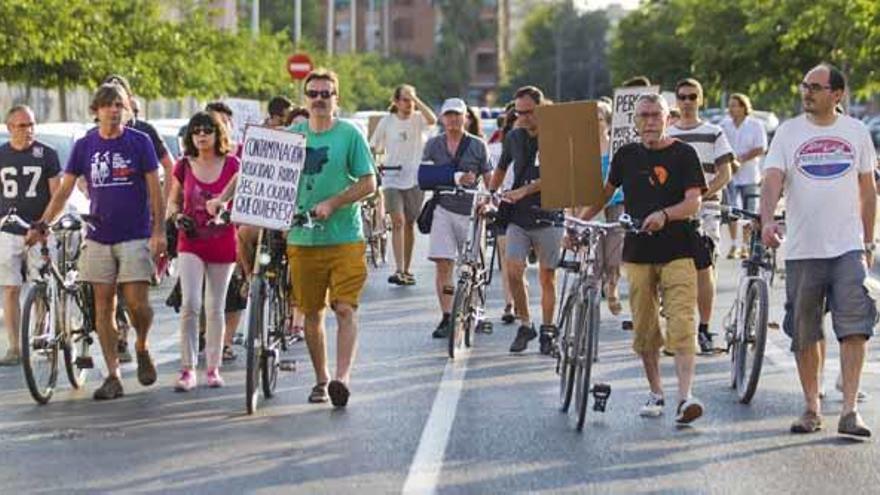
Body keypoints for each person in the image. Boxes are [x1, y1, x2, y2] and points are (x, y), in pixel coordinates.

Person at [29, 83, 166, 400]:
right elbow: (64, 191)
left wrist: (159, 231)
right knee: (103, 305)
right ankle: (112, 375)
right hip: (99, 235)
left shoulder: (140, 142)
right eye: (107, 106)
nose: (113, 110)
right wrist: (43, 223)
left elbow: (155, 191)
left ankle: (142, 345)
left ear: (126, 109)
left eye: (118, 105)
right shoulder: (85, 145)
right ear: (96, 111)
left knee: (137, 304)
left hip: (134, 233)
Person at [761, 64, 877, 438]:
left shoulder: (857, 132)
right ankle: (811, 407)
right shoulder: (788, 133)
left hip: (847, 247)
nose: (806, 92)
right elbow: (772, 181)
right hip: (802, 249)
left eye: (815, 87)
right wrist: (766, 220)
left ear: (837, 94)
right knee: (806, 332)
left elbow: (868, 190)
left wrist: (869, 240)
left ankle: (850, 411)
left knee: (855, 326)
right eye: (804, 85)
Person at [589, 93, 707, 424]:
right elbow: (605, 193)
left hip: (678, 249)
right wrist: (583, 221)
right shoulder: (626, 155)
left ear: (668, 118)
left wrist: (665, 215)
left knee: (682, 320)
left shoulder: (684, 154)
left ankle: (685, 397)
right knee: (644, 327)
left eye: (656, 115)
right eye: (644, 116)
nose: (650, 121)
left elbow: (694, 202)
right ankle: (656, 392)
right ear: (635, 122)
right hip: (638, 252)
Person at [287, 69, 377, 407]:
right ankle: (321, 379)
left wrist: (334, 202)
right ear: (305, 98)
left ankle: (342, 378)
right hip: (302, 239)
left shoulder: (349, 135)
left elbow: (369, 183)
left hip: (344, 237)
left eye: (327, 93)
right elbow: (258, 171)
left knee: (343, 308)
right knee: (311, 313)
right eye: (314, 93)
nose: (320, 99)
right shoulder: (292, 135)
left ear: (336, 98)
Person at [102, 74, 175, 364]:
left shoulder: (144, 132)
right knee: (108, 284)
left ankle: (137, 335)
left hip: (139, 218)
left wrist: (165, 206)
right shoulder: (97, 133)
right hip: (105, 221)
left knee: (133, 289)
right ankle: (119, 331)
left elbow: (170, 166)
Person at [166, 112, 239, 391]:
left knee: (215, 307)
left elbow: (244, 191)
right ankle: (187, 369)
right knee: (190, 303)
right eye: (196, 130)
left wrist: (225, 205)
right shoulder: (183, 165)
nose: (201, 135)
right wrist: (175, 217)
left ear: (217, 134)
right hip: (191, 239)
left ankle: (213, 367)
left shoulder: (232, 164)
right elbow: (173, 201)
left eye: (208, 130)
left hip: (222, 239)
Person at [489, 86, 564, 355]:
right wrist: (490, 194)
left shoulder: (556, 135)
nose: (523, 118)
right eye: (519, 113)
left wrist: (526, 189)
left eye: (529, 112)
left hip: (548, 214)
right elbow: (500, 169)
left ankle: (547, 329)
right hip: (518, 215)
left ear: (541, 108)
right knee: (513, 270)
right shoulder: (514, 137)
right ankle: (525, 323)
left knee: (547, 277)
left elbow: (559, 174)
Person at [667, 78, 734, 354]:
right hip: (674, 212)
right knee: (672, 270)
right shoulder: (667, 133)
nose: (686, 102)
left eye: (692, 97)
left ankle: (704, 328)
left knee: (704, 269)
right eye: (682, 97)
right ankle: (676, 329)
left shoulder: (714, 132)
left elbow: (725, 173)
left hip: (706, 211)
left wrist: (701, 197)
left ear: (701, 100)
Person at [423, 98, 492, 338]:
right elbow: (424, 177)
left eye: (457, 115)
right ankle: (447, 316)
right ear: (442, 118)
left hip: (471, 211)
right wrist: (455, 177)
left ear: (466, 118)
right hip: (443, 208)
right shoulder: (433, 145)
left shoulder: (477, 145)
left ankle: (474, 308)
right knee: (443, 263)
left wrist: (489, 199)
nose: (453, 120)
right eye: (448, 115)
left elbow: (489, 176)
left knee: (471, 265)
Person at [0, 105, 61, 365]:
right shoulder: (1, 155)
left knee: (42, 285)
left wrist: (44, 225)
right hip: (9, 229)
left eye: (32, 124)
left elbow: (57, 194)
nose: (29, 130)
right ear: (9, 127)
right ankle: (14, 346)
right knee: (11, 288)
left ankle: (42, 335)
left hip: (40, 229)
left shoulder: (47, 154)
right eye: (22, 125)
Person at [369, 84, 436, 286]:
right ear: (396, 102)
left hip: (415, 178)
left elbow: (433, 119)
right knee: (397, 220)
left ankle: (407, 268)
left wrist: (416, 100)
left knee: (409, 223)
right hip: (392, 178)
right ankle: (398, 269)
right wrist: (375, 164)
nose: (409, 104)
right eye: (405, 100)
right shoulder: (388, 121)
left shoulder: (418, 120)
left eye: (411, 100)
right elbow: (373, 145)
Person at [720, 93, 767, 258]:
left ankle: (746, 246)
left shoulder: (756, 125)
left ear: (743, 107)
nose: (731, 109)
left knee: (749, 211)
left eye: (734, 105)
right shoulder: (724, 125)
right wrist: (730, 161)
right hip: (731, 175)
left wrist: (741, 158)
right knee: (732, 210)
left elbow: (761, 148)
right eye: (730, 105)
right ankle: (734, 245)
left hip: (749, 175)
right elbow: (720, 146)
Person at [595, 100, 625, 316]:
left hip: (616, 202)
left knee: (614, 251)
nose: (596, 123)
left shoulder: (617, 147)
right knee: (596, 254)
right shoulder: (582, 147)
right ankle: (593, 292)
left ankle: (612, 288)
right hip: (591, 205)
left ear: (608, 122)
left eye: (600, 119)